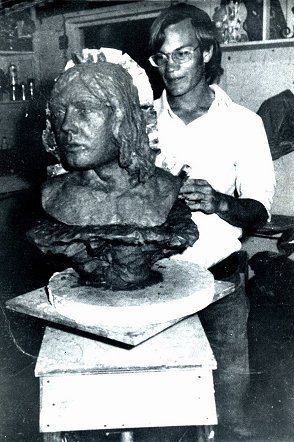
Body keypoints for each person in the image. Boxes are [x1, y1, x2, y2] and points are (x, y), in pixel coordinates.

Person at [148, 2, 275, 439]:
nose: (170, 66)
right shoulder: (143, 123)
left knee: (229, 400)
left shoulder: (244, 124)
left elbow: (259, 209)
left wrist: (219, 202)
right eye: (161, 56)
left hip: (220, 286)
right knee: (162, 404)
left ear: (206, 53)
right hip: (154, 285)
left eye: (181, 53)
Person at [42, 62, 182, 229]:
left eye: (85, 110)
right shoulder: (52, 194)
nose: (66, 125)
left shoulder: (164, 189)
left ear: (122, 116)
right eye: (59, 112)